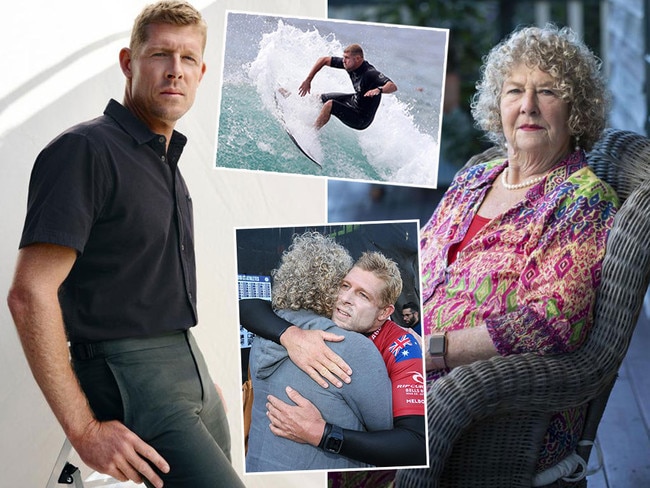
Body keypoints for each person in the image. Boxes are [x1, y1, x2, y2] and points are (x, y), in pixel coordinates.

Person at [6, 2, 245, 487]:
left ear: (202, 72)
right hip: (131, 375)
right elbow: (29, 294)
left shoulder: (164, 162)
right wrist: (84, 430)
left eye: (188, 59)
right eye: (160, 54)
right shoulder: (85, 151)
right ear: (128, 63)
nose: (175, 71)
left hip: (188, 369)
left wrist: (197, 381)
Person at [417, 24, 619, 475]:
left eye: (546, 91)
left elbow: (550, 322)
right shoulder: (473, 179)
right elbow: (415, 263)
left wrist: (430, 349)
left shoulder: (582, 200)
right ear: (498, 105)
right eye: (514, 91)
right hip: (399, 367)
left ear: (575, 109)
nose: (527, 106)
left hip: (485, 405)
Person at [240, 251, 426, 468]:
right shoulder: (332, 317)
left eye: (362, 295)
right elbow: (249, 306)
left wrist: (322, 433)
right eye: (345, 286)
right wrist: (291, 336)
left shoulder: (402, 347)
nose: (345, 299)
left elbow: (415, 446)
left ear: (384, 312)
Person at [298, 43, 398, 130]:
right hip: (355, 100)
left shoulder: (370, 73)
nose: (343, 60)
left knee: (330, 104)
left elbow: (392, 86)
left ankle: (312, 132)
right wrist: (308, 80)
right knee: (319, 98)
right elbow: (323, 60)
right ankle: (295, 101)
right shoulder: (350, 64)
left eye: (347, 58)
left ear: (358, 59)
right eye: (344, 57)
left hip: (361, 118)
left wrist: (379, 89)